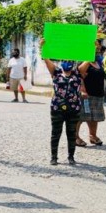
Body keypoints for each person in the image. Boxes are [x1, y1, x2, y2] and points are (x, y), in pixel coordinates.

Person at [39, 38, 82, 166]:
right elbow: (46, 59)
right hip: (57, 108)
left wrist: (92, 47)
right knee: (55, 133)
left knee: (71, 133)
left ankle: (71, 157)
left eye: (69, 59)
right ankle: (54, 157)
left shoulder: (78, 73)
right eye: (64, 59)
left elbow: (88, 60)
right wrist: (42, 47)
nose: (67, 62)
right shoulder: (56, 72)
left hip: (73, 109)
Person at [75, 47, 106, 147]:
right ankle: (75, 137)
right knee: (81, 117)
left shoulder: (98, 63)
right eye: (95, 50)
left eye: (98, 50)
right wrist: (83, 90)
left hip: (98, 94)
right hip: (86, 95)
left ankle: (93, 135)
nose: (98, 51)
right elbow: (79, 73)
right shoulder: (83, 62)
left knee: (94, 117)